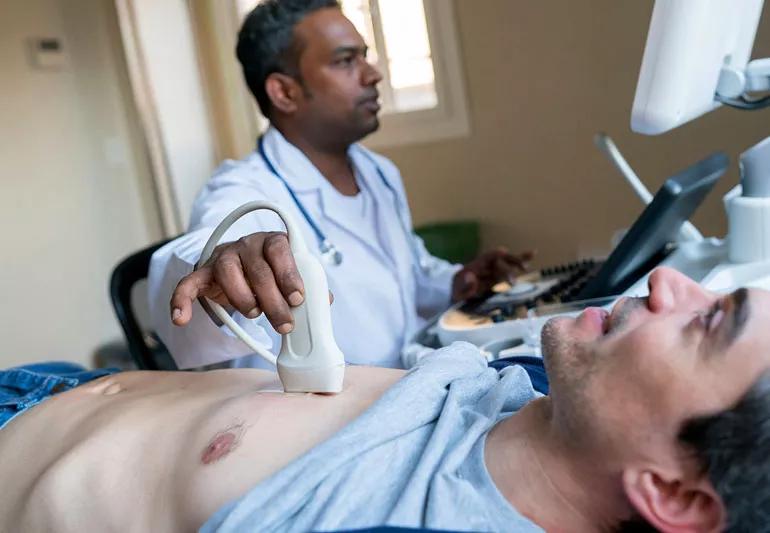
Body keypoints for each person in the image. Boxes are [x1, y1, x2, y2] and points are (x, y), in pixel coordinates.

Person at [2, 267, 769, 532]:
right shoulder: (525, 398)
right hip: (58, 381)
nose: (670, 284)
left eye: (707, 322)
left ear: (671, 489)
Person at [147, 0, 532, 370]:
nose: (373, 74)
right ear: (284, 92)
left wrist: (455, 280)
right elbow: (206, 248)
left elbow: (408, 274)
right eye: (346, 61)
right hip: (315, 415)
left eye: (364, 56)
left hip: (407, 381)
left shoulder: (378, 172)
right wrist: (222, 260)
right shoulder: (246, 188)